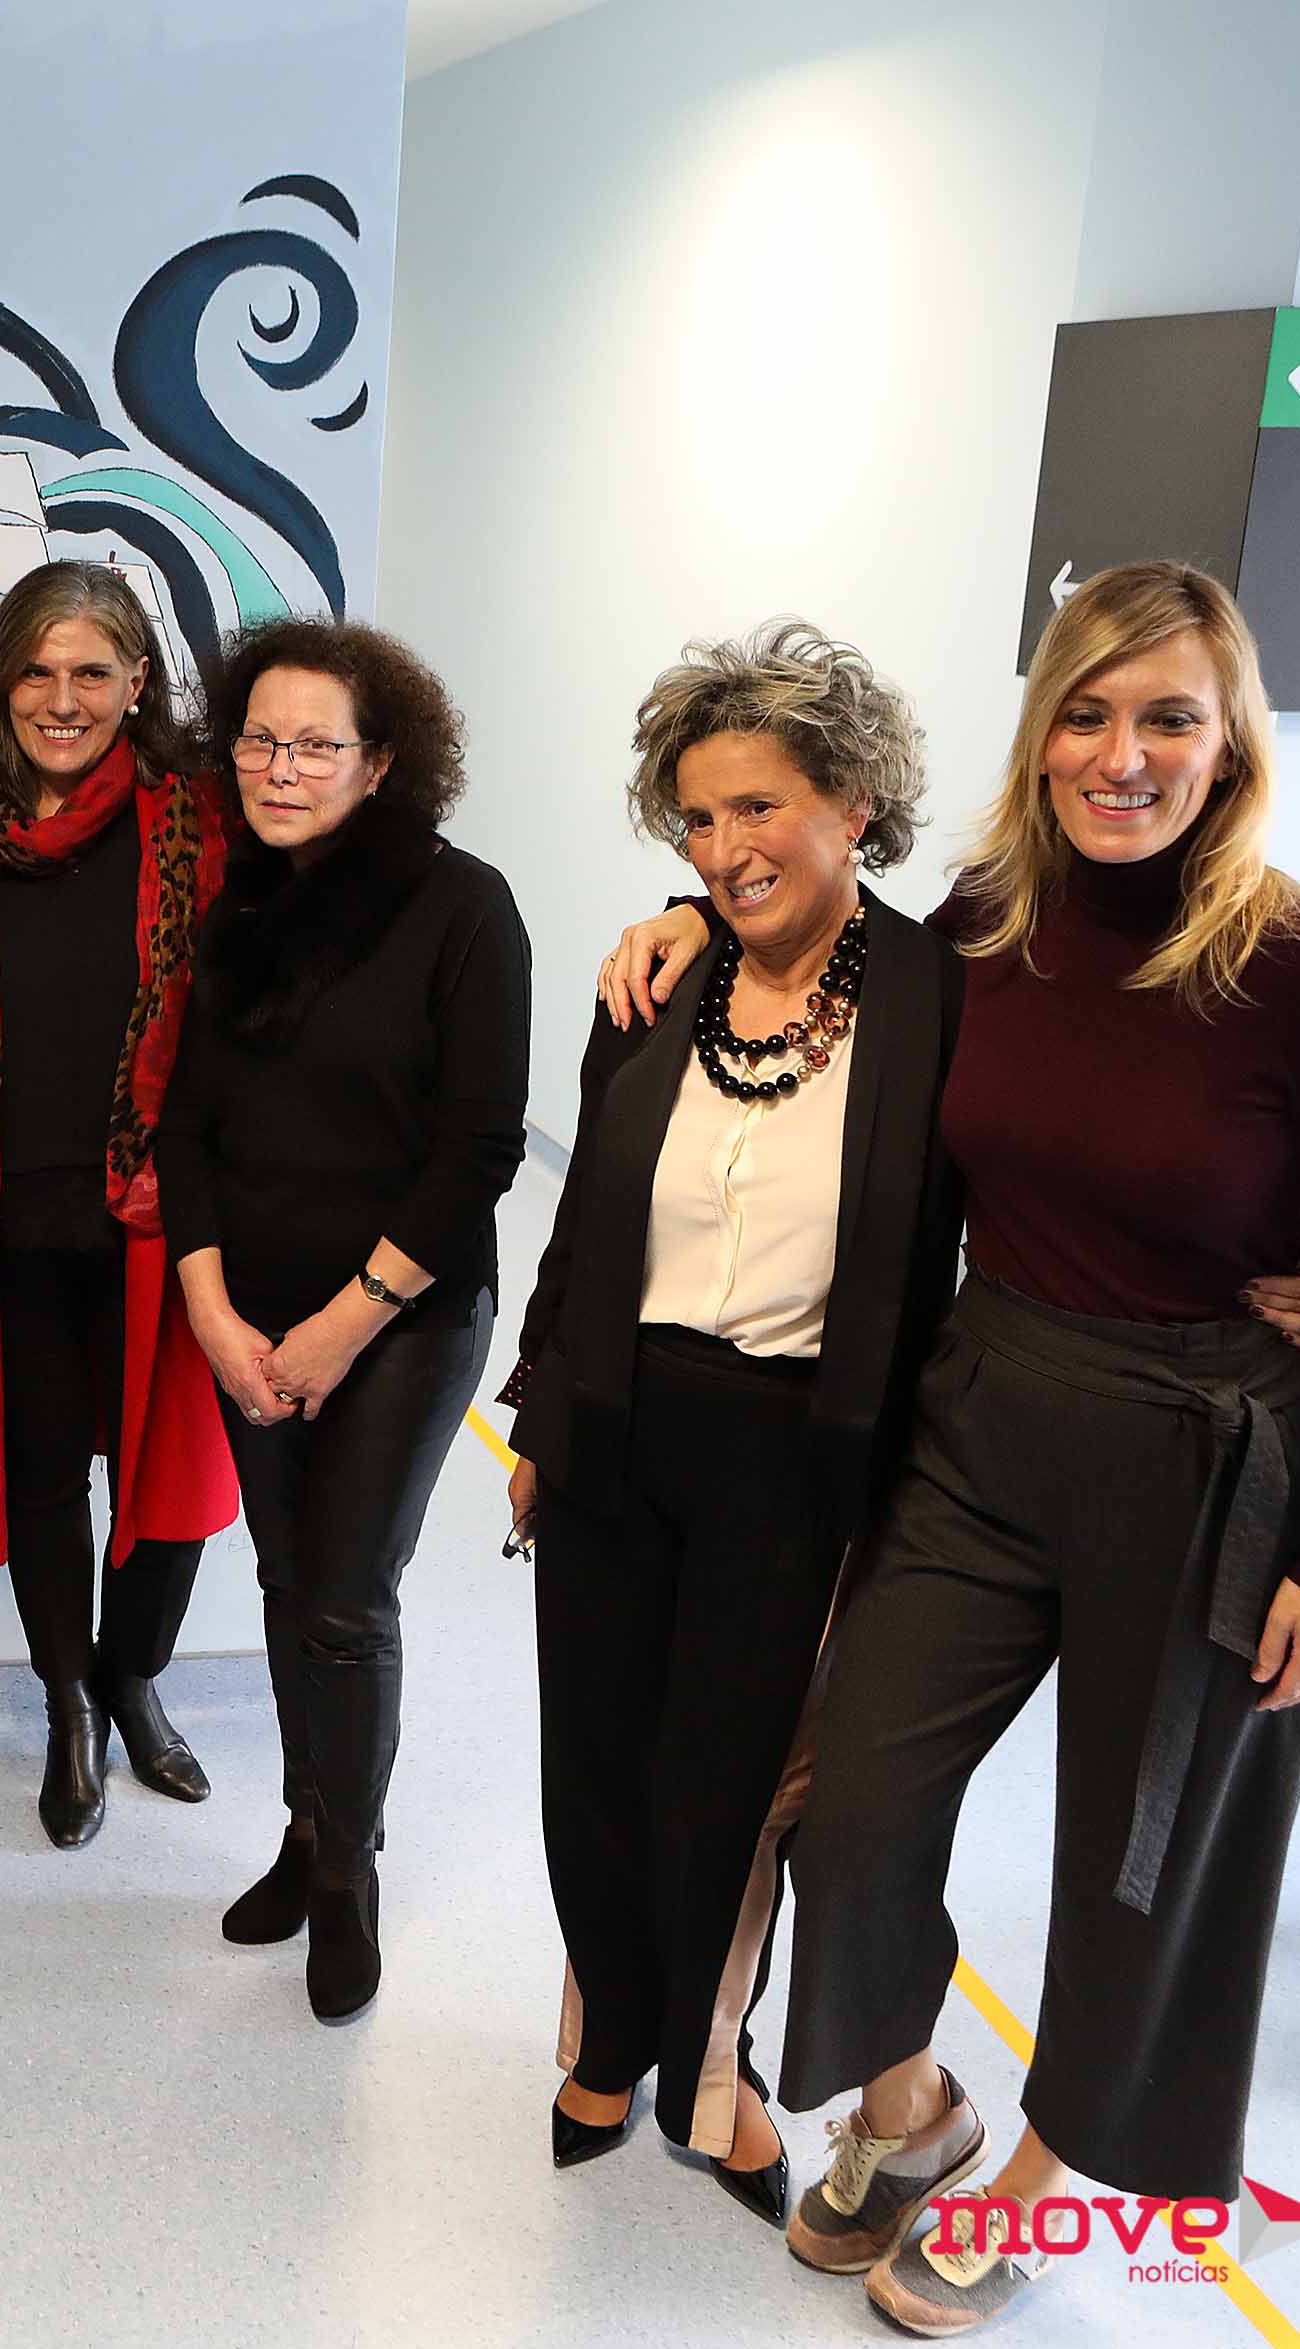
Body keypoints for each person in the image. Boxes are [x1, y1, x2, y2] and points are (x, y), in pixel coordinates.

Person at [602, 563, 1300, 2333]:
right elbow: (828, 949)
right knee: (854, 1799)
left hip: (1203, 1454)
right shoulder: (994, 918)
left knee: (1135, 1865)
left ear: (1231, 743)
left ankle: (1050, 2181)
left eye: (1169, 718)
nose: (1122, 755)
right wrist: (686, 923)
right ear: (1042, 732)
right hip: (985, 1418)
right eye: (1087, 713)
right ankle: (916, 2109)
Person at [503, 622, 955, 2219]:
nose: (721, 848)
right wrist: (538, 1412)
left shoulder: (936, 997)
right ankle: (603, 2035)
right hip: (619, 1414)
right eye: (696, 817)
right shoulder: (658, 979)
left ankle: (712, 2064)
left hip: (792, 1448)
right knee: (591, 1762)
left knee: (729, 1784)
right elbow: (584, 1218)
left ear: (853, 799)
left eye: (757, 806)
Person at [157, 614, 527, 2021]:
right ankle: (306, 1826)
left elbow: (476, 1151)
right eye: (260, 740)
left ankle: (347, 1872)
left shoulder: (465, 908)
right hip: (249, 1316)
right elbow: (189, 1122)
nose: (280, 768)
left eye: (316, 745)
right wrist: (210, 1306)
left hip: (402, 1317)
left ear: (382, 763)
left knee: (346, 1593)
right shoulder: (241, 899)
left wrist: (344, 1323)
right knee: (281, 1575)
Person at [0, 560, 235, 1849]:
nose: (64, 698)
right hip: (5, 1216)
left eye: (92, 671)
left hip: (166, 1223)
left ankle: (134, 1677)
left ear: (138, 682)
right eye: (36, 671)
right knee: (42, 1477)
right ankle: (69, 1706)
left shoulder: (201, 825)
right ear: (1, 685)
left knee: (168, 1473)